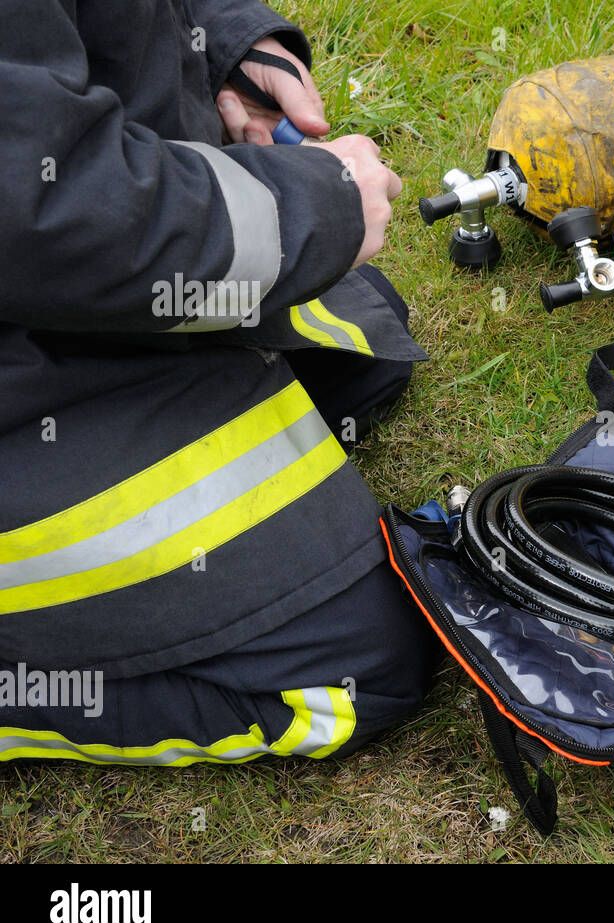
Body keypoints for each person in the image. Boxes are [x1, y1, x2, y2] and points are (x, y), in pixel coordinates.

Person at [0, 0, 438, 763]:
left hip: (61, 301)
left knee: (364, 346)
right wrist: (316, 205)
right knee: (355, 665)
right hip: (39, 303)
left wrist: (221, 44)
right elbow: (41, 205)